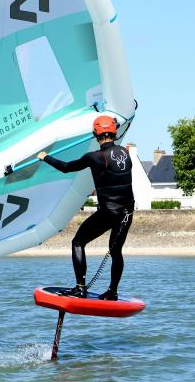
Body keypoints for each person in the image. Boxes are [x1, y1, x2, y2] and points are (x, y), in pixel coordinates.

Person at [37, 115, 134, 300]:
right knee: (116, 252)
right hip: (127, 212)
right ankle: (113, 292)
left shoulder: (95, 157)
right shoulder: (126, 153)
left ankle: (80, 287)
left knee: (78, 242)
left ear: (95, 133)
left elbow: (66, 167)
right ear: (114, 132)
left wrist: (45, 157)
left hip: (109, 212)